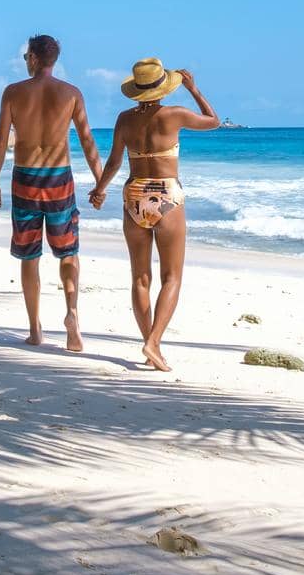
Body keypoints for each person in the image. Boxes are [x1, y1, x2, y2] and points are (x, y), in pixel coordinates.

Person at [90, 59, 219, 372]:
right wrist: (194, 89)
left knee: (140, 277)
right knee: (172, 277)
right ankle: (154, 342)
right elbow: (213, 120)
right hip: (166, 195)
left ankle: (150, 342)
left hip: (133, 194)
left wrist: (99, 190)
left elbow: (113, 162)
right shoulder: (174, 115)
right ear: (164, 87)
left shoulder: (123, 119)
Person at [0, 34, 101, 351]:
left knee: (29, 256)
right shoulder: (72, 93)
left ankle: (35, 329)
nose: (25, 61)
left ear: (35, 58)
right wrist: (100, 183)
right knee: (68, 252)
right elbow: (88, 141)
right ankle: (72, 315)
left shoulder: (13, 93)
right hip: (59, 180)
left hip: (25, 178)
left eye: (26, 56)